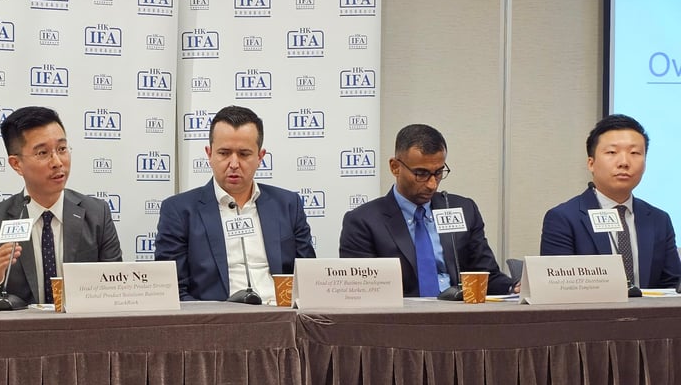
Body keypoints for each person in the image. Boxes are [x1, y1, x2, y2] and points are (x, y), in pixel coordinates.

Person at [0, 106, 122, 305]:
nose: (57, 162)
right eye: (43, 153)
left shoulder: (97, 214)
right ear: (16, 164)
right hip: (20, 334)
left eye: (62, 149)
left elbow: (116, 289)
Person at [154, 105, 316, 302]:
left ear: (260, 157)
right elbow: (174, 291)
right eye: (224, 153)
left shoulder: (288, 205)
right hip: (217, 323)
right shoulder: (179, 211)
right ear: (209, 154)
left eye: (244, 154)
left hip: (280, 318)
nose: (233, 163)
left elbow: (307, 281)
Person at [339, 123, 515, 296]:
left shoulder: (463, 210)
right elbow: (361, 292)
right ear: (395, 167)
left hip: (460, 317)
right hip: (402, 320)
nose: (432, 184)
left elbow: (486, 276)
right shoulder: (363, 221)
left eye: (438, 172)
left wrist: (514, 287)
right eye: (421, 174)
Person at [540, 114, 681, 289]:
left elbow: (672, 286)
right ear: (591, 163)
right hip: (589, 315)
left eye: (635, 153)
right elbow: (558, 288)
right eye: (612, 152)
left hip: (648, 315)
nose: (624, 162)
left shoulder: (659, 219)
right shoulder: (563, 218)